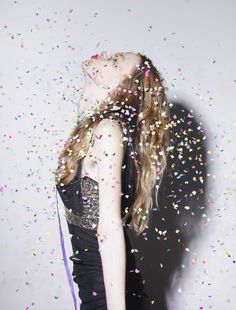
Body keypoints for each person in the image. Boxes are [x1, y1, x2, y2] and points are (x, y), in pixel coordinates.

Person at [54, 51, 171, 309]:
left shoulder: (108, 131)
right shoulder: (94, 130)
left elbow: (109, 229)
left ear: (121, 90)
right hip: (95, 287)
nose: (107, 56)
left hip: (110, 297)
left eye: (117, 62)